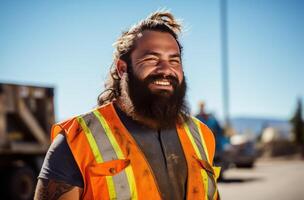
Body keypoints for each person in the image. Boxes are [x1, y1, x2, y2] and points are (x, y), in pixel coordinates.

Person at [34, 11, 220, 200]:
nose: (166, 69)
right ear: (122, 68)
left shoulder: (202, 136)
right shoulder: (77, 139)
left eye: (174, 60)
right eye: (151, 59)